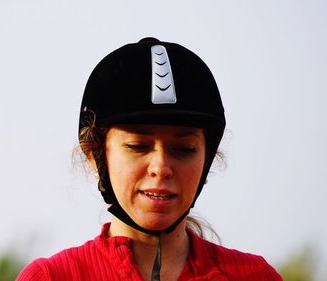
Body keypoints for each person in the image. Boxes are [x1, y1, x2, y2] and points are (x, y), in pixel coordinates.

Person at [16, 37, 283, 281]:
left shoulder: (256, 276)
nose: (161, 168)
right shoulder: (50, 277)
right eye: (137, 145)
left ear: (207, 159)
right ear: (95, 156)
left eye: (184, 149)